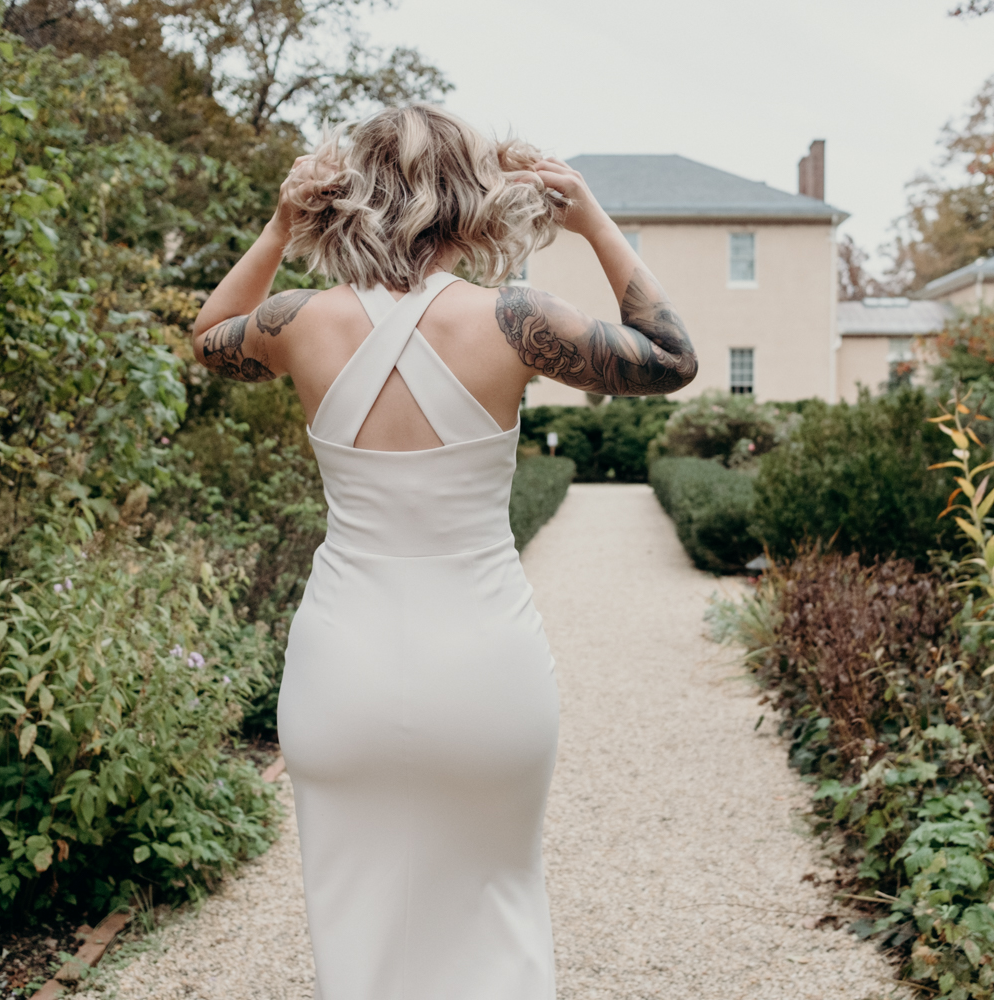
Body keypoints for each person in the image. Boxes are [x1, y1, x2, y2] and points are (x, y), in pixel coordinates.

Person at [189, 103, 696, 1000]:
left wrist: (277, 227)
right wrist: (590, 219)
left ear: (348, 199)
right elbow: (671, 357)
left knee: (358, 928)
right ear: (473, 201)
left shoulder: (298, 322)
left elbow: (206, 339)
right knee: (494, 912)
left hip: (342, 667)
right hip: (484, 667)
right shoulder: (514, 320)